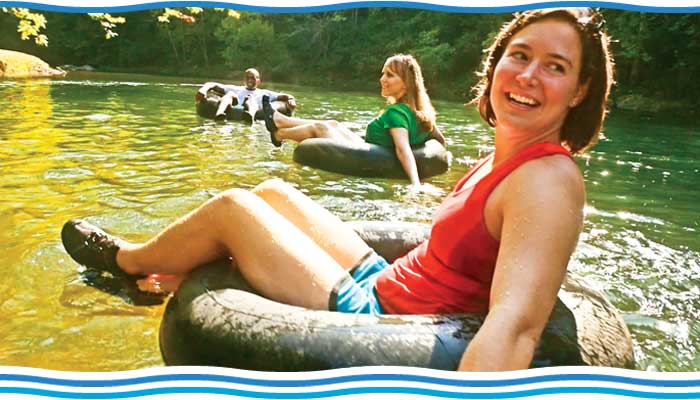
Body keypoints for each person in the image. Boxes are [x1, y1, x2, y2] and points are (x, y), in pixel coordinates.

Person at [61, 8, 613, 371]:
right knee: (275, 191)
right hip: (389, 280)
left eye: (555, 66)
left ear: (580, 90)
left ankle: (130, 264)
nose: (528, 76)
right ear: (498, 63)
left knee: (233, 209)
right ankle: (178, 271)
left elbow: (517, 327)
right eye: (520, 56)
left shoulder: (547, 180)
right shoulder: (505, 156)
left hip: (380, 313)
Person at [260, 54, 446, 187]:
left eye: (390, 75)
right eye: (383, 73)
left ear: (406, 82)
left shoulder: (396, 113)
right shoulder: (423, 111)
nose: (382, 79)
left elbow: (402, 149)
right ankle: (280, 119)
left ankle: (279, 133)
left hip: (370, 152)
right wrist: (444, 156)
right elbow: (440, 140)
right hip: (370, 146)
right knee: (333, 124)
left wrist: (415, 184)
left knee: (319, 128)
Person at [195, 68, 296, 124]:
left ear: (258, 81)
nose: (250, 80)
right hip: (233, 107)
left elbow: (284, 96)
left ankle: (250, 116)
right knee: (229, 94)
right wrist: (203, 89)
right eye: (247, 78)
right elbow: (213, 84)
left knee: (251, 98)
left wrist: (291, 99)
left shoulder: (264, 93)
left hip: (253, 110)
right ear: (244, 80)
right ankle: (220, 114)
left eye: (253, 78)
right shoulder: (236, 88)